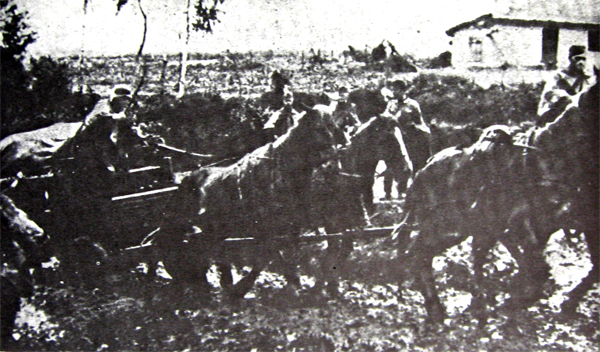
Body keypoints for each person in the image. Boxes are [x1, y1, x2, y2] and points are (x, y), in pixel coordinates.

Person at [381, 79, 431, 199]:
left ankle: (402, 191)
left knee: (405, 166)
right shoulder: (391, 104)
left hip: (409, 140)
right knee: (389, 166)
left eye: (396, 89)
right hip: (393, 140)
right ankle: (387, 193)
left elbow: (420, 123)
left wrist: (415, 128)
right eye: (392, 89)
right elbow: (385, 119)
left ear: (403, 90)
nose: (394, 92)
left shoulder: (412, 105)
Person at [537, 45, 597, 126]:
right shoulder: (558, 77)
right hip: (554, 118)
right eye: (578, 58)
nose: (581, 62)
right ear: (570, 58)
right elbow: (567, 95)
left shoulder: (585, 79)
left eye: (584, 59)